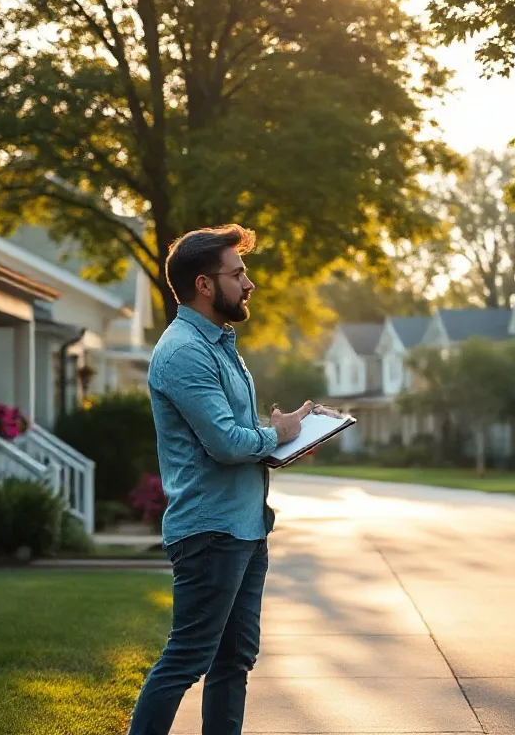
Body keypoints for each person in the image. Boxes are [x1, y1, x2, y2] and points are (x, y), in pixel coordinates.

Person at [129, 224, 339, 735]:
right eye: (238, 273)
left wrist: (288, 438)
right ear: (204, 284)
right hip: (211, 532)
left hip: (244, 525)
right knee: (186, 659)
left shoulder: (220, 344)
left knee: (234, 660)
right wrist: (276, 433)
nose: (249, 284)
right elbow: (225, 443)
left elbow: (236, 436)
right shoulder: (184, 351)